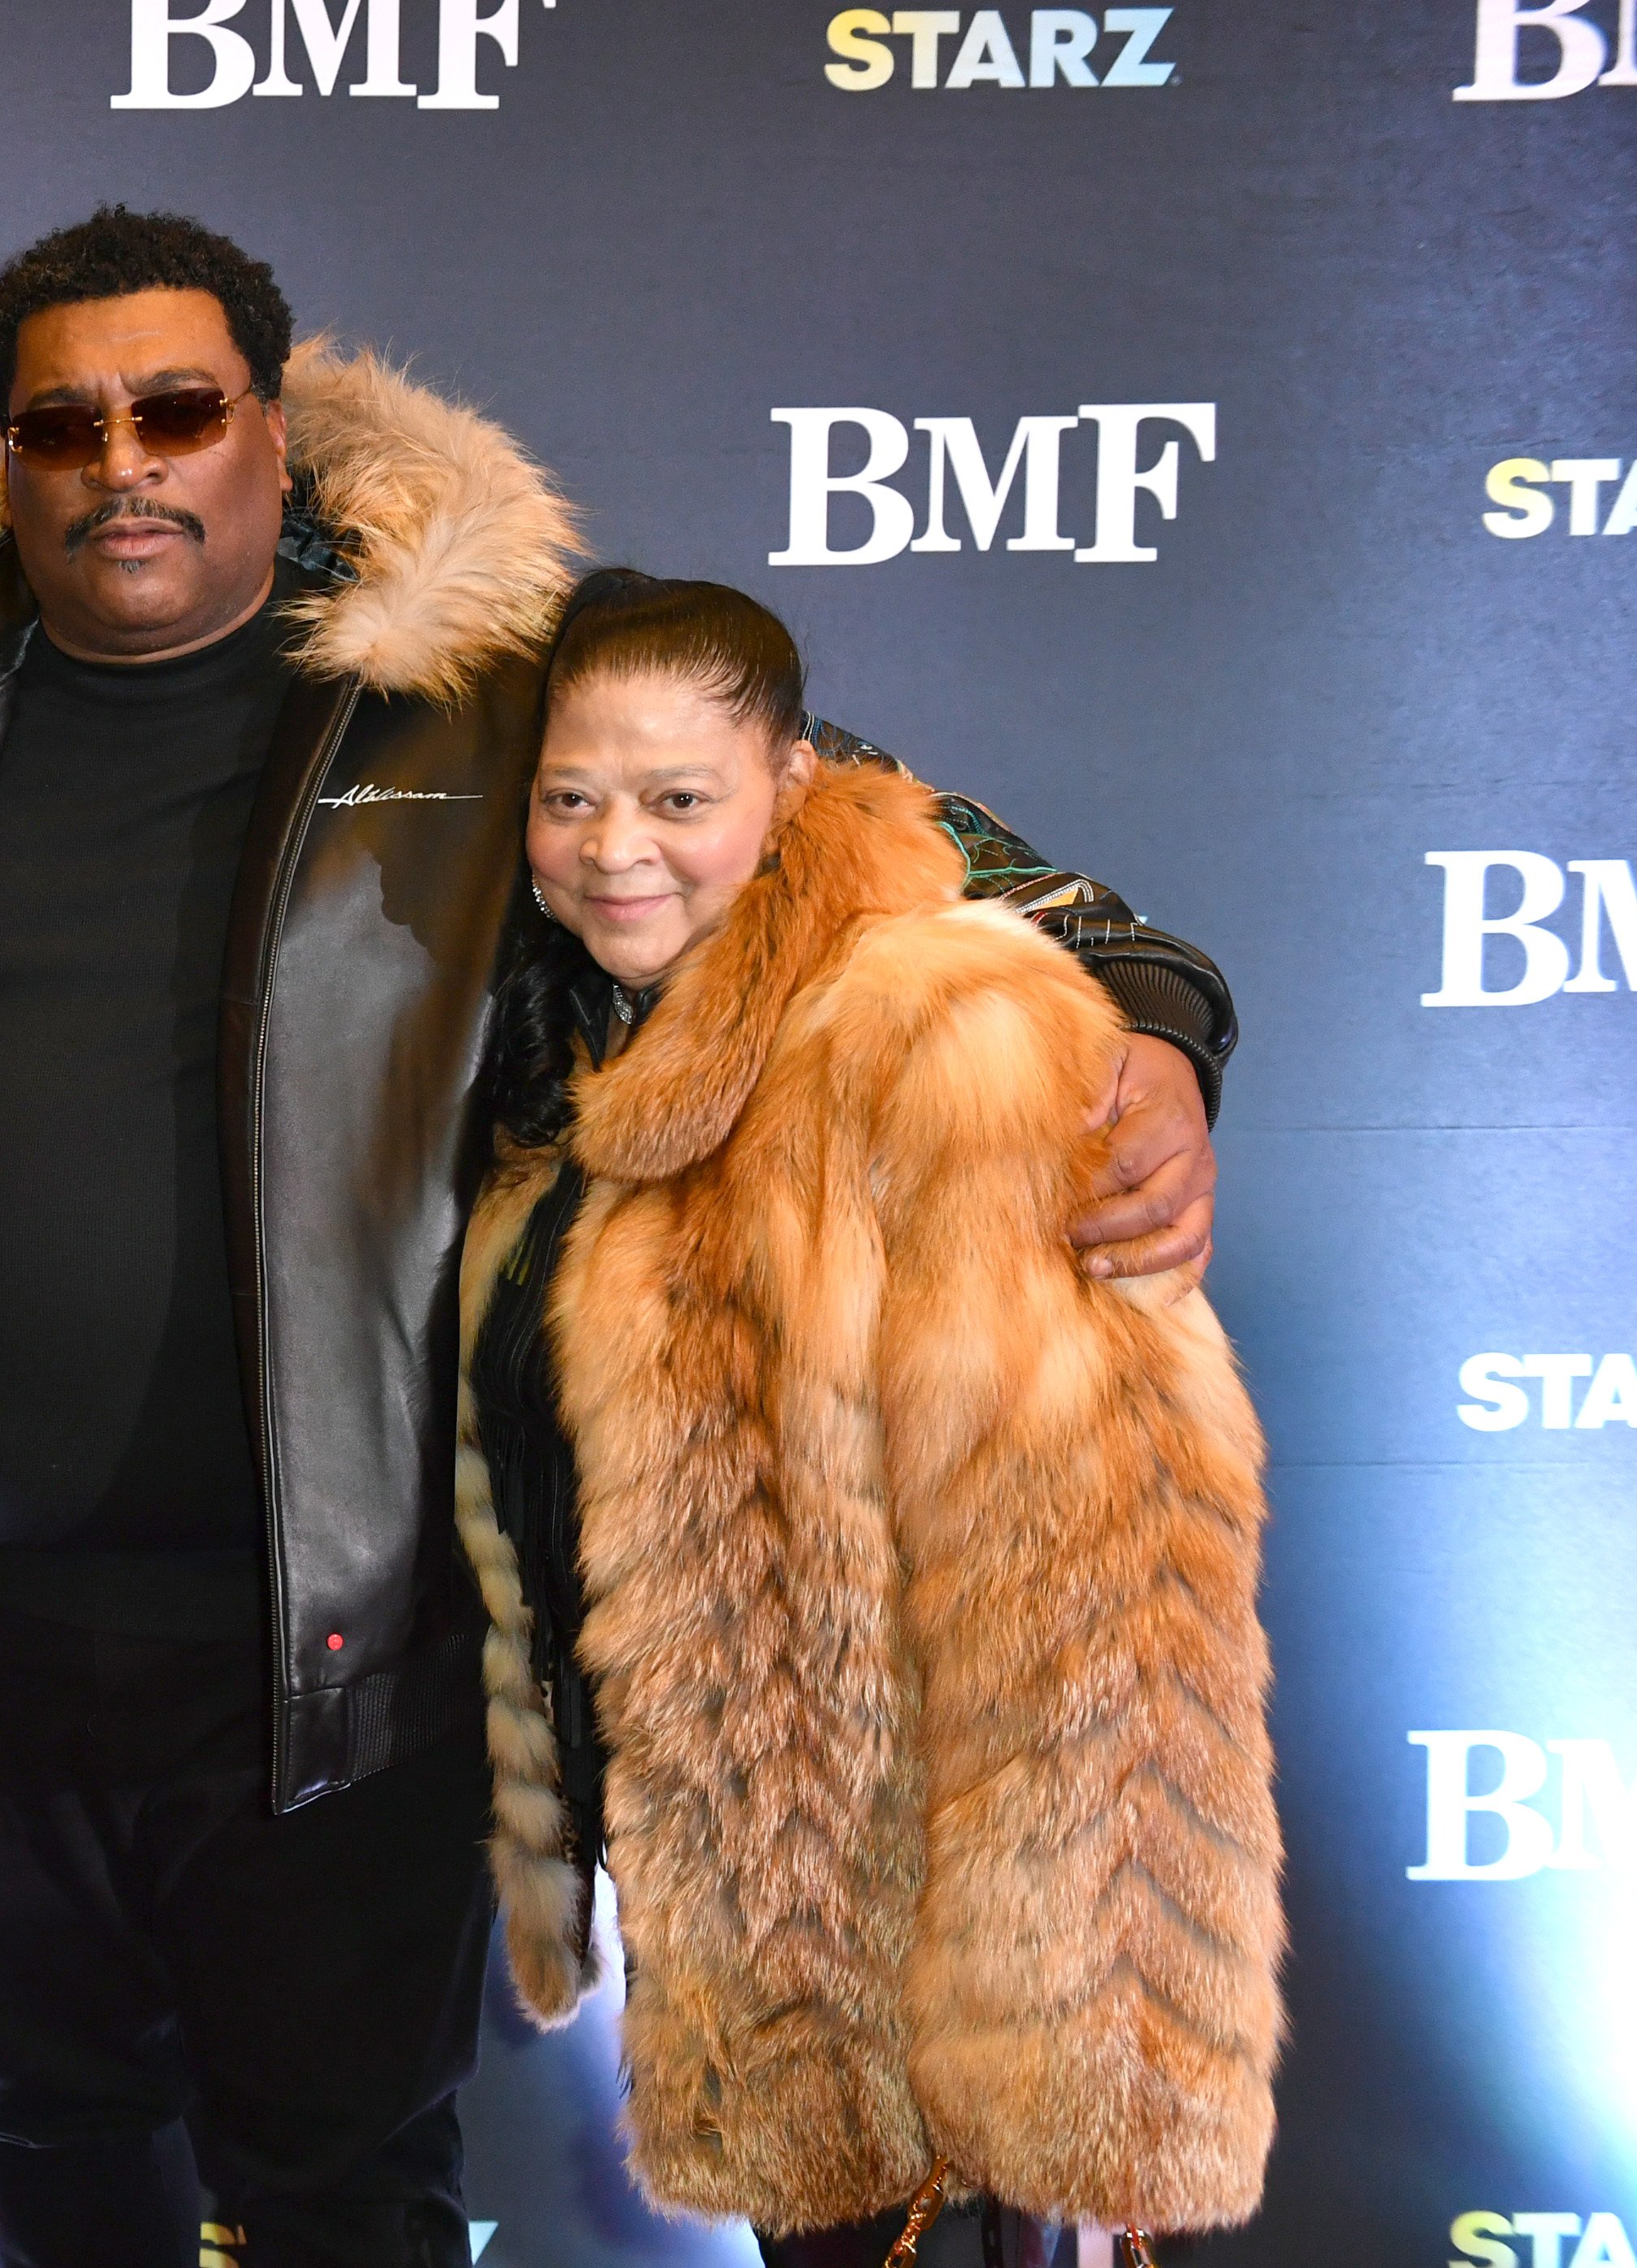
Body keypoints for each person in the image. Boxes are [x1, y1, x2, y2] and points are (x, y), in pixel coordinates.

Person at [0, 208, 1240, 2268]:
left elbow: (921, 854)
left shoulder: (499, 673)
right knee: (44, 2135)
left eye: (176, 408)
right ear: (5, 457)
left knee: (339, 2181)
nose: (124, 461)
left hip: (346, 1638)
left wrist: (1148, 1022)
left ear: (276, 427)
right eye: (62, 427)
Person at [457, 571, 1280, 2268]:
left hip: (960, 1926)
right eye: (572, 798)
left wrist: (1072, 2019)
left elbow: (1087, 1564)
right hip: (762, 1907)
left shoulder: (936, 1025)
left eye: (684, 799)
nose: (620, 846)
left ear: (796, 784)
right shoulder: (563, 1044)